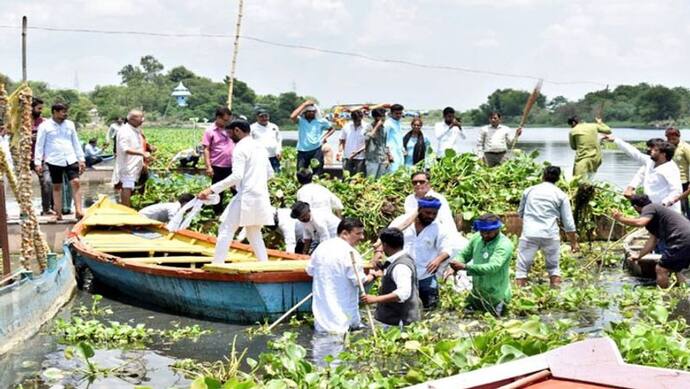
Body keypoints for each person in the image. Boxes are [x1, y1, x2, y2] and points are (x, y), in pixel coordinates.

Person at [198, 120, 274, 264]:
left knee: (225, 229)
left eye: (229, 133)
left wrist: (211, 189)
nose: (229, 136)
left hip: (246, 196)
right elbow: (270, 174)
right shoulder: (260, 147)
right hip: (260, 196)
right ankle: (264, 264)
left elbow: (237, 176)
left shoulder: (239, 148)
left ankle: (217, 264)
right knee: (254, 233)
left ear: (237, 130)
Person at [306, 217, 379, 334]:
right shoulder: (351, 253)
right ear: (345, 233)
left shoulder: (321, 247)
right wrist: (373, 275)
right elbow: (360, 282)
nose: (362, 237)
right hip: (344, 322)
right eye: (358, 233)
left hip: (322, 322)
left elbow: (310, 271)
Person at [516, 166, 579, 287]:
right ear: (558, 179)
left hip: (530, 233)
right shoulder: (561, 195)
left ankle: (520, 295)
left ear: (543, 175)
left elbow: (521, 213)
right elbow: (569, 223)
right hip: (550, 234)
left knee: (521, 270)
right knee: (554, 269)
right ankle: (555, 295)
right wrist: (573, 242)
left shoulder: (529, 190)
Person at [612, 195, 690, 288]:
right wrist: (639, 256)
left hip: (681, 240)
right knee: (676, 269)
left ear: (636, 207)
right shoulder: (655, 214)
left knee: (661, 269)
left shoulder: (649, 208)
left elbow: (640, 222)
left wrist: (621, 219)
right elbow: (652, 241)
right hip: (685, 239)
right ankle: (683, 291)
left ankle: (663, 296)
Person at [446, 214, 514, 316]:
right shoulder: (477, 238)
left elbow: (493, 267)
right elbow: (464, 254)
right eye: (482, 232)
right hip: (477, 294)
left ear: (498, 229)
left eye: (489, 233)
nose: (485, 235)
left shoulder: (504, 245)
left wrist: (465, 267)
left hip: (497, 297)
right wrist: (454, 265)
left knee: (495, 325)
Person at [392, 196, 451, 309]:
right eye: (428, 213)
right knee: (402, 310)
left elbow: (447, 249)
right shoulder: (402, 223)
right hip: (403, 274)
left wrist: (438, 260)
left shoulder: (439, 228)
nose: (431, 216)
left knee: (430, 310)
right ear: (419, 210)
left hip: (426, 275)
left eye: (434, 214)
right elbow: (386, 239)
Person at [34, 103, 85, 220]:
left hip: (70, 157)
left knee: (76, 182)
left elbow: (75, 142)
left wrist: (81, 159)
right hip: (53, 159)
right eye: (62, 112)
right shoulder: (45, 126)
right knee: (57, 186)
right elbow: (39, 145)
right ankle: (58, 213)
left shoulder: (70, 124)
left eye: (66, 111)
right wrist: (37, 162)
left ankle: (78, 211)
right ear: (55, 112)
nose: (65, 114)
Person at [605, 134, 682, 213]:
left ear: (663, 154)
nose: (651, 151)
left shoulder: (670, 168)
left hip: (667, 211)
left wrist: (663, 204)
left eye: (655, 150)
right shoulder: (650, 161)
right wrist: (616, 140)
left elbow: (677, 191)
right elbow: (634, 153)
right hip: (651, 207)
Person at [361, 227, 422, 327]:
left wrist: (375, 299)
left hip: (400, 321)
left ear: (384, 245)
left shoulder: (401, 266)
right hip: (397, 319)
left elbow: (402, 294)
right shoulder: (401, 260)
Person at [202, 107, 235, 215]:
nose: (227, 122)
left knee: (236, 189)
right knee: (217, 190)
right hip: (217, 165)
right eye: (225, 120)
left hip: (232, 165)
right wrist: (208, 167)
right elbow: (206, 149)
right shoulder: (210, 131)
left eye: (228, 120)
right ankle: (218, 213)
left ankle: (237, 212)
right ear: (218, 118)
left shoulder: (232, 129)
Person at [113, 110, 149, 207]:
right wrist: (142, 153)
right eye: (141, 117)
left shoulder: (136, 130)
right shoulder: (124, 131)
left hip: (136, 164)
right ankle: (126, 209)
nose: (143, 120)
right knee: (127, 186)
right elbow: (125, 148)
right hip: (127, 164)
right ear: (132, 119)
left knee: (131, 186)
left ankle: (129, 207)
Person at [290, 100, 334, 176]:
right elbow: (292, 116)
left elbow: (332, 129)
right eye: (309, 111)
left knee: (317, 172)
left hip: (316, 149)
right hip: (302, 150)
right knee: (301, 173)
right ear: (305, 112)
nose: (311, 113)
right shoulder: (301, 121)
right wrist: (304, 104)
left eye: (313, 111)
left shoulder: (320, 121)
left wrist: (325, 137)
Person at [238, 206, 303, 253]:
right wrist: (238, 240)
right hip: (297, 240)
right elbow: (251, 225)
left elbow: (290, 243)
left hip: (304, 239)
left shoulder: (286, 220)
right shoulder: (266, 214)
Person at [30, 97, 54, 216]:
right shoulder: (21, 122)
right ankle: (25, 210)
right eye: (39, 108)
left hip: (41, 158)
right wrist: (29, 138)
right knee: (22, 185)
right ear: (31, 108)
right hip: (24, 159)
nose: (41, 111)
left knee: (47, 182)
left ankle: (46, 209)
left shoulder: (44, 122)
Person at [666, 127, 690, 218]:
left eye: (674, 139)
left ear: (679, 137)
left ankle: (686, 223)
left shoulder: (685, 147)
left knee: (683, 203)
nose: (671, 141)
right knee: (671, 202)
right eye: (669, 139)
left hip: (682, 181)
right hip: (669, 180)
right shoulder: (667, 148)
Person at [338, 109, 369, 176]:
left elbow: (368, 143)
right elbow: (341, 140)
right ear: (352, 119)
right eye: (355, 120)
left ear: (361, 118)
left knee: (359, 178)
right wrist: (339, 152)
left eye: (359, 120)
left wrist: (357, 152)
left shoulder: (367, 127)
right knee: (346, 177)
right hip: (347, 156)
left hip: (361, 158)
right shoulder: (346, 126)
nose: (357, 122)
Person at [364, 108, 391, 179]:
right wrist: (376, 127)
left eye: (384, 117)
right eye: (381, 117)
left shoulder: (384, 129)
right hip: (372, 159)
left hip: (382, 158)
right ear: (375, 117)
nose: (383, 119)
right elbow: (367, 138)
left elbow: (384, 144)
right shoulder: (369, 127)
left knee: (380, 180)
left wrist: (388, 156)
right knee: (370, 180)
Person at [385, 104, 405, 172]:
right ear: (391, 113)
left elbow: (399, 138)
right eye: (396, 113)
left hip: (399, 152)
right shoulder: (388, 124)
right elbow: (385, 140)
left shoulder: (398, 123)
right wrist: (389, 155)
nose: (399, 115)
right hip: (392, 153)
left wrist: (403, 149)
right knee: (392, 172)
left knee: (400, 172)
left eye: (400, 113)